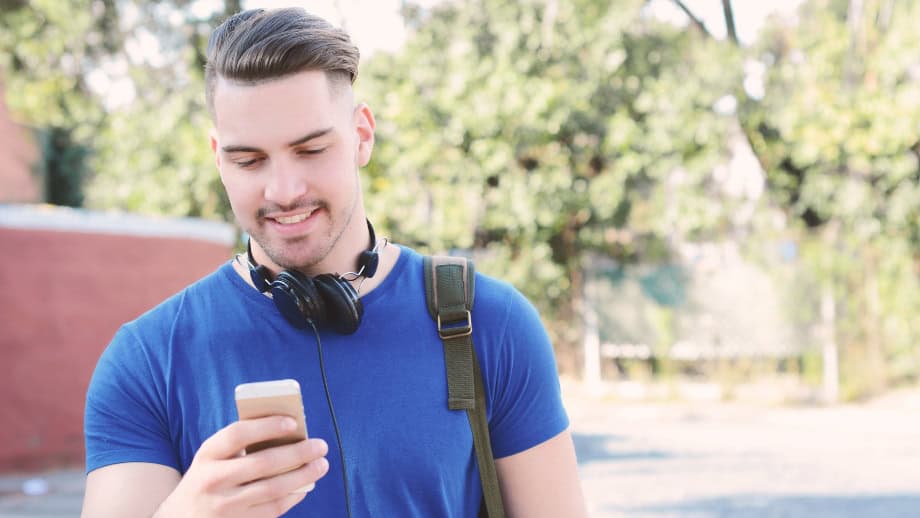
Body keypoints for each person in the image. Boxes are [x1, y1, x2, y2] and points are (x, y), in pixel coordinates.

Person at [81, 7, 587, 518]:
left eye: (311, 149)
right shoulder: (145, 361)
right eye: (248, 160)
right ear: (217, 157)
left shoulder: (492, 324)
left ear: (362, 135)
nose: (283, 190)